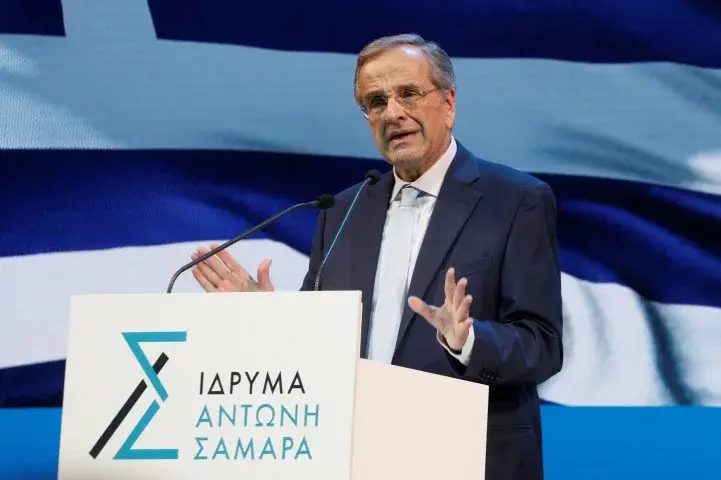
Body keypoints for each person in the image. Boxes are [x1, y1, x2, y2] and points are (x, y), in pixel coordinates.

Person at [190, 33, 563, 480]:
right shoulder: (343, 211)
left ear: (448, 103)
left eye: (409, 93)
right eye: (376, 101)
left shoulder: (516, 200)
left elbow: (542, 344)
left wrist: (467, 341)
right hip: (360, 454)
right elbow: (323, 340)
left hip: (470, 454)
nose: (393, 113)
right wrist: (274, 319)